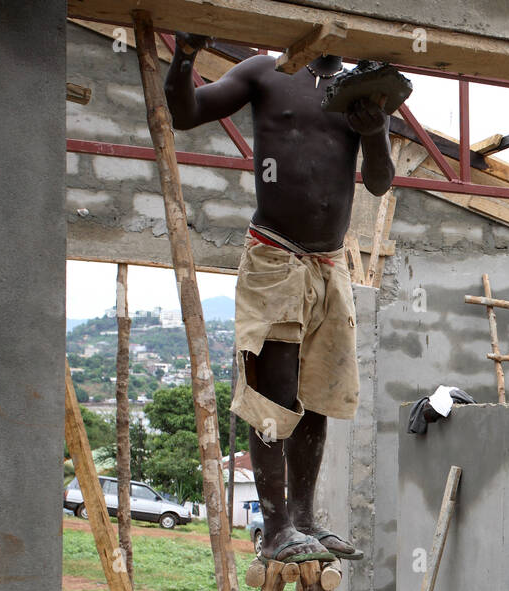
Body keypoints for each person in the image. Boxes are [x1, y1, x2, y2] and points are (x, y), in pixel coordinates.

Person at [165, 34, 396, 562]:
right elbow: (186, 112)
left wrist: (377, 132)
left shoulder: (363, 90)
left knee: (316, 395)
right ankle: (275, 529)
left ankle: (306, 522)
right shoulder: (264, 73)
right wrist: (183, 58)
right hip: (275, 257)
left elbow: (380, 183)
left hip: (328, 263)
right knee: (274, 393)